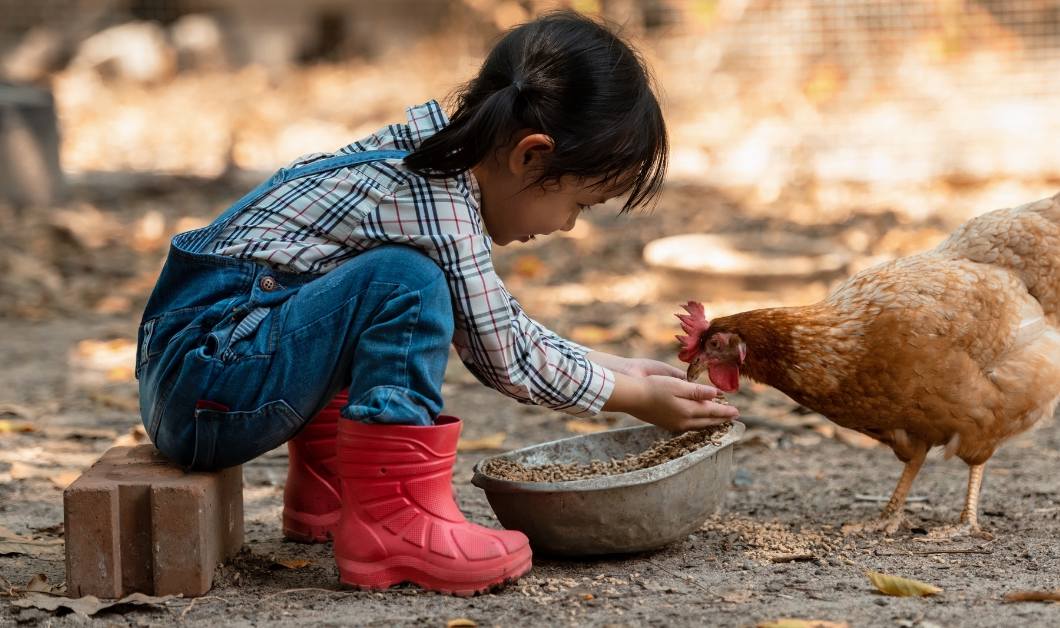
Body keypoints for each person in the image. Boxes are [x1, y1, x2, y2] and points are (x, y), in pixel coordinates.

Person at [136, 10, 738, 596]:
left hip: (199, 374)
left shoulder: (432, 161)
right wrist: (629, 397)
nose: (570, 227)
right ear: (530, 155)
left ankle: (334, 488)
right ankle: (393, 521)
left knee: (377, 284)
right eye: (579, 204)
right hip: (208, 391)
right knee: (406, 283)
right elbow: (507, 357)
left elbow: (497, 318)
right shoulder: (438, 207)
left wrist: (620, 367)